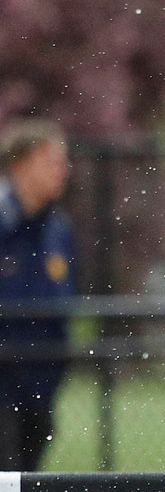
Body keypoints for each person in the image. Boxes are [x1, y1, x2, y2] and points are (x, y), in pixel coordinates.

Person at [0, 120, 74, 472]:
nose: (62, 171)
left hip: (40, 386)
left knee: (29, 488)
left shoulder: (57, 229)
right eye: (50, 161)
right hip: (4, 385)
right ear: (19, 164)